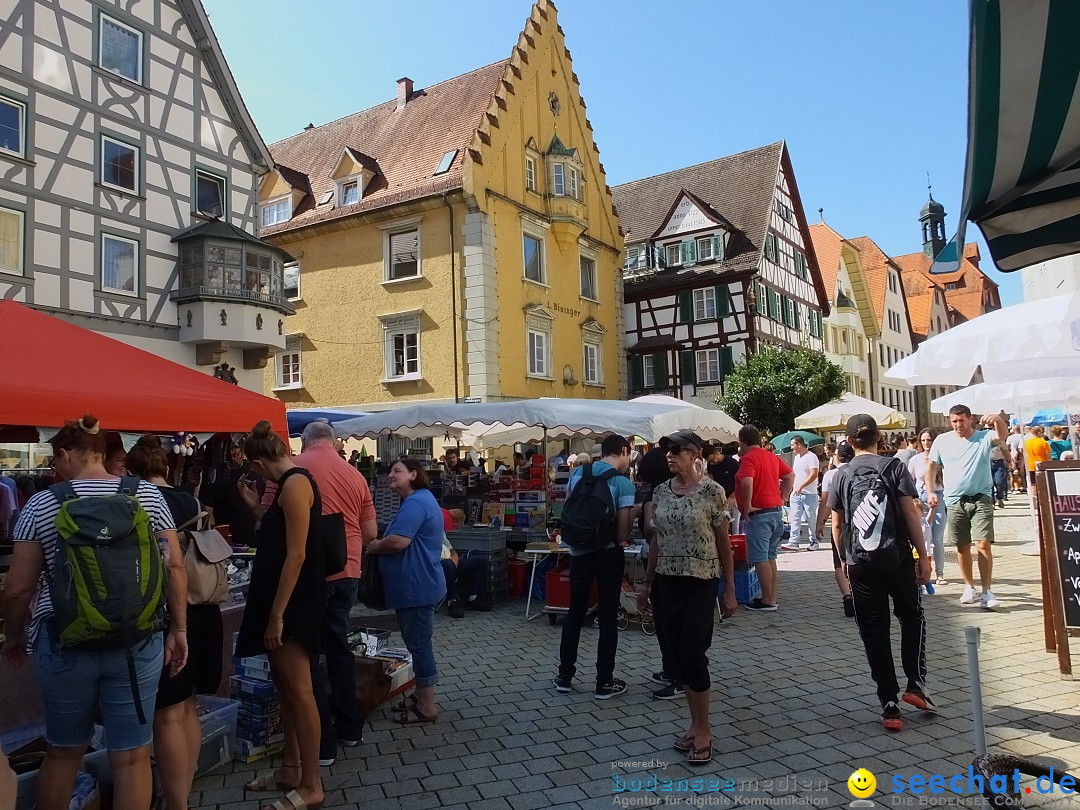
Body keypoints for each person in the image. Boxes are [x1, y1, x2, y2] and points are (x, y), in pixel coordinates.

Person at [0, 415, 186, 810]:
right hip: (137, 638)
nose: (55, 471)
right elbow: (175, 567)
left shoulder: (42, 503)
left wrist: (15, 638)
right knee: (132, 754)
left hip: (64, 640)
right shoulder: (149, 497)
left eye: (55, 462)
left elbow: (18, 588)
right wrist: (179, 629)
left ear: (66, 454)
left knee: (65, 751)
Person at [126, 435, 223, 810]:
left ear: (133, 473)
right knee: (188, 707)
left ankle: (175, 799)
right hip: (204, 606)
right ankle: (182, 785)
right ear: (165, 467)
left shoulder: (140, 502)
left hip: (171, 610)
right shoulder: (191, 499)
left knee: (167, 714)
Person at [234, 421, 324, 810]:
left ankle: (312, 784)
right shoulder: (287, 486)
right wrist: (257, 509)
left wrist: (276, 616)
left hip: (292, 603)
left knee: (300, 692)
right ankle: (291, 768)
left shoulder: (295, 484)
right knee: (288, 689)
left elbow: (298, 555)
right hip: (281, 600)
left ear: (257, 462)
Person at [829, 414, 933, 732]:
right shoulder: (895, 466)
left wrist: (844, 558)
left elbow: (837, 523)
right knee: (912, 616)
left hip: (860, 562)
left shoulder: (840, 474)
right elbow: (910, 514)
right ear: (879, 438)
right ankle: (914, 683)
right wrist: (924, 556)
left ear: (848, 442)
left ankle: (889, 704)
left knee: (874, 631)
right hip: (896, 557)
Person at [637, 429, 735, 764]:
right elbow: (656, 540)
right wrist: (646, 584)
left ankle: (704, 729)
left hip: (701, 581)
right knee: (678, 659)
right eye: (666, 450)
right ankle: (694, 725)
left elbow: (724, 543)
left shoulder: (712, 491)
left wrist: (730, 589)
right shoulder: (662, 491)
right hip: (666, 581)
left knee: (694, 654)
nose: (669, 455)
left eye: (676, 450)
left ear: (695, 454)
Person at [292, 420, 377, 761]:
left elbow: (268, 523)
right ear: (335, 442)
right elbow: (370, 531)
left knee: (307, 654)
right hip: (348, 569)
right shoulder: (354, 474)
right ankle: (350, 729)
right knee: (339, 646)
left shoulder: (293, 470)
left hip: (308, 572)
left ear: (304, 441)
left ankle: (322, 745)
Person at [553, 434, 634, 699]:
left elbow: (569, 509)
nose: (628, 460)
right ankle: (604, 682)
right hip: (608, 554)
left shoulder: (577, 474)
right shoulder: (622, 482)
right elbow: (623, 531)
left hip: (578, 553)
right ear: (623, 450)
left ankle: (565, 676)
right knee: (608, 617)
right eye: (629, 455)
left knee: (575, 613)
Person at [365, 459, 445, 723]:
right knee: (418, 643)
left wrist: (376, 546)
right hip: (417, 586)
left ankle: (427, 706)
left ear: (413, 474)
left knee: (420, 646)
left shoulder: (416, 502)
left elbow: (399, 541)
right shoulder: (417, 500)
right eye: (390, 471)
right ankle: (420, 695)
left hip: (416, 588)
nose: (390, 475)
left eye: (397, 471)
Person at [927, 406, 1008, 609]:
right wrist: (930, 492)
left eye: (961, 420)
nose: (958, 425)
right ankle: (969, 587)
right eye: (954, 421)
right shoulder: (943, 441)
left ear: (970, 419)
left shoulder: (983, 437)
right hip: (954, 499)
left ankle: (987, 591)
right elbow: (931, 466)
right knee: (962, 546)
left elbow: (1002, 435)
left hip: (981, 497)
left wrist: (997, 419)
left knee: (983, 544)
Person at [735, 425, 794, 611]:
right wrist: (783, 497)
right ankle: (770, 596)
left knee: (760, 557)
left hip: (759, 514)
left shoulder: (749, 458)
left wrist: (747, 506)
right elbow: (790, 475)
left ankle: (768, 600)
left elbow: (746, 482)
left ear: (742, 441)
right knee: (770, 556)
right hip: (775, 511)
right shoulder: (770, 456)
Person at [202, 438, 264, 547]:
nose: (234, 452)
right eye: (231, 448)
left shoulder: (253, 471)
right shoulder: (216, 474)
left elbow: (263, 504)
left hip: (250, 537)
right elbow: (208, 509)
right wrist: (213, 535)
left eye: (237, 447)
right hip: (223, 540)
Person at [817, 442, 855, 617]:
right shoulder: (858, 470)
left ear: (837, 456)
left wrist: (820, 523)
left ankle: (847, 596)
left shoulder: (831, 475)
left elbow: (825, 501)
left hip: (839, 523)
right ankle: (859, 594)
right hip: (859, 523)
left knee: (839, 561)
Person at [907, 429, 947, 585]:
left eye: (929, 440)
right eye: (923, 440)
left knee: (937, 538)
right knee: (921, 537)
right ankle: (920, 570)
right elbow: (908, 480)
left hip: (939, 496)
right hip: (920, 499)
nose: (926, 443)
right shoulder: (915, 460)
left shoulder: (941, 458)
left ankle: (940, 573)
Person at [439, 510, 491, 618]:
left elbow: (451, 548)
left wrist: (455, 558)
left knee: (480, 560)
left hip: (452, 561)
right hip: (438, 564)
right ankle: (452, 601)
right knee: (447, 564)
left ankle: (474, 597)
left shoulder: (439, 531)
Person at [781, 436, 820, 551]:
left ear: (799, 444)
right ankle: (793, 542)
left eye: (793, 445)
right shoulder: (797, 457)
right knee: (795, 517)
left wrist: (801, 486)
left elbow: (813, 474)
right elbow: (795, 474)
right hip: (796, 493)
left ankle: (814, 541)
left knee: (811, 518)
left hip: (809, 493)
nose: (791, 447)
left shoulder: (811, 457)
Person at [704, 442, 740, 534]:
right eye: (709, 462)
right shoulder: (711, 466)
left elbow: (739, 482)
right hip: (720, 499)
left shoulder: (732, 463)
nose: (711, 463)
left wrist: (733, 496)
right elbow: (712, 482)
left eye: (712, 460)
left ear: (717, 454)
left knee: (736, 525)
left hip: (734, 497)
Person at [1006, 422, 1027, 494]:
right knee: (1023, 473)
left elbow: (1007, 447)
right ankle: (1024, 487)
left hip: (1012, 455)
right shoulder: (1023, 436)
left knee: (1013, 473)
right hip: (1022, 456)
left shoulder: (1010, 437)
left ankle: (1014, 487)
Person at [989, 442, 1009, 509]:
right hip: (987, 463)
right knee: (989, 484)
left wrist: (1009, 461)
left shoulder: (999, 439)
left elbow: (1005, 450)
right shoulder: (982, 438)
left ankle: (999, 497)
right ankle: (992, 502)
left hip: (998, 463)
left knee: (1000, 482)